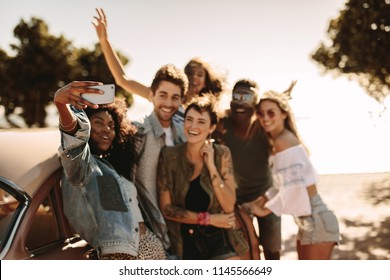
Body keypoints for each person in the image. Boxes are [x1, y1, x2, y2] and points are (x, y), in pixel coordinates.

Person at [54, 81, 167, 260]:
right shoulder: (83, 165)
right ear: (87, 126)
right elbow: (74, 140)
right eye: (98, 122)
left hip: (148, 248)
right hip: (121, 255)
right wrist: (61, 105)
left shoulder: (109, 166)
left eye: (111, 125)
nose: (106, 129)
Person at [248, 81, 340, 260]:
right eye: (260, 113)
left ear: (283, 114)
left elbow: (294, 191)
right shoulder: (280, 141)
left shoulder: (283, 141)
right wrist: (264, 198)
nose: (265, 118)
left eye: (271, 112)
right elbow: (285, 184)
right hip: (309, 220)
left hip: (316, 219)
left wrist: (265, 210)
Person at [92, 8, 227, 126]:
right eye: (190, 73)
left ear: (205, 81)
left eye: (199, 74)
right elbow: (123, 80)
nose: (194, 77)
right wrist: (104, 40)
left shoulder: (210, 112)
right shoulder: (163, 98)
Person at [157, 94, 248, 260]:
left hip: (220, 236)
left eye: (201, 122)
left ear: (212, 127)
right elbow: (167, 209)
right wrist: (209, 219)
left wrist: (211, 166)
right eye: (189, 119)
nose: (193, 126)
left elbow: (228, 207)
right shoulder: (169, 157)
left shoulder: (222, 154)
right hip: (185, 239)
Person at [213, 79, 282, 260]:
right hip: (238, 200)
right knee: (247, 250)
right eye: (236, 95)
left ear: (256, 101)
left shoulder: (263, 126)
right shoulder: (222, 124)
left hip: (266, 197)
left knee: (272, 250)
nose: (240, 101)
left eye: (247, 96)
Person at [131, 64, 188, 254]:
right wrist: (140, 227)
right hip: (150, 230)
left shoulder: (183, 134)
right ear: (151, 95)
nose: (168, 103)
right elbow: (125, 184)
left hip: (179, 229)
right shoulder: (138, 131)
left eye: (175, 97)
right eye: (162, 95)